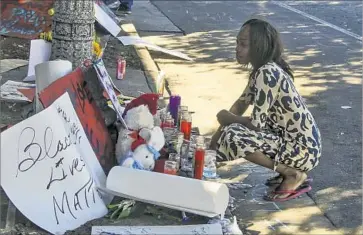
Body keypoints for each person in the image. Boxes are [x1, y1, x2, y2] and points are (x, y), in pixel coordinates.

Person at [210, 19, 322, 202]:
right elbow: (239, 106)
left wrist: (227, 120)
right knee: (229, 132)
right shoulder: (261, 71)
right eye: (237, 43)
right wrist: (211, 149)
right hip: (295, 144)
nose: (237, 49)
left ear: (258, 47)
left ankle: (291, 173)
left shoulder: (266, 73)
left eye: (243, 44)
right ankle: (287, 170)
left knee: (235, 136)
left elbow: (255, 125)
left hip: (302, 149)